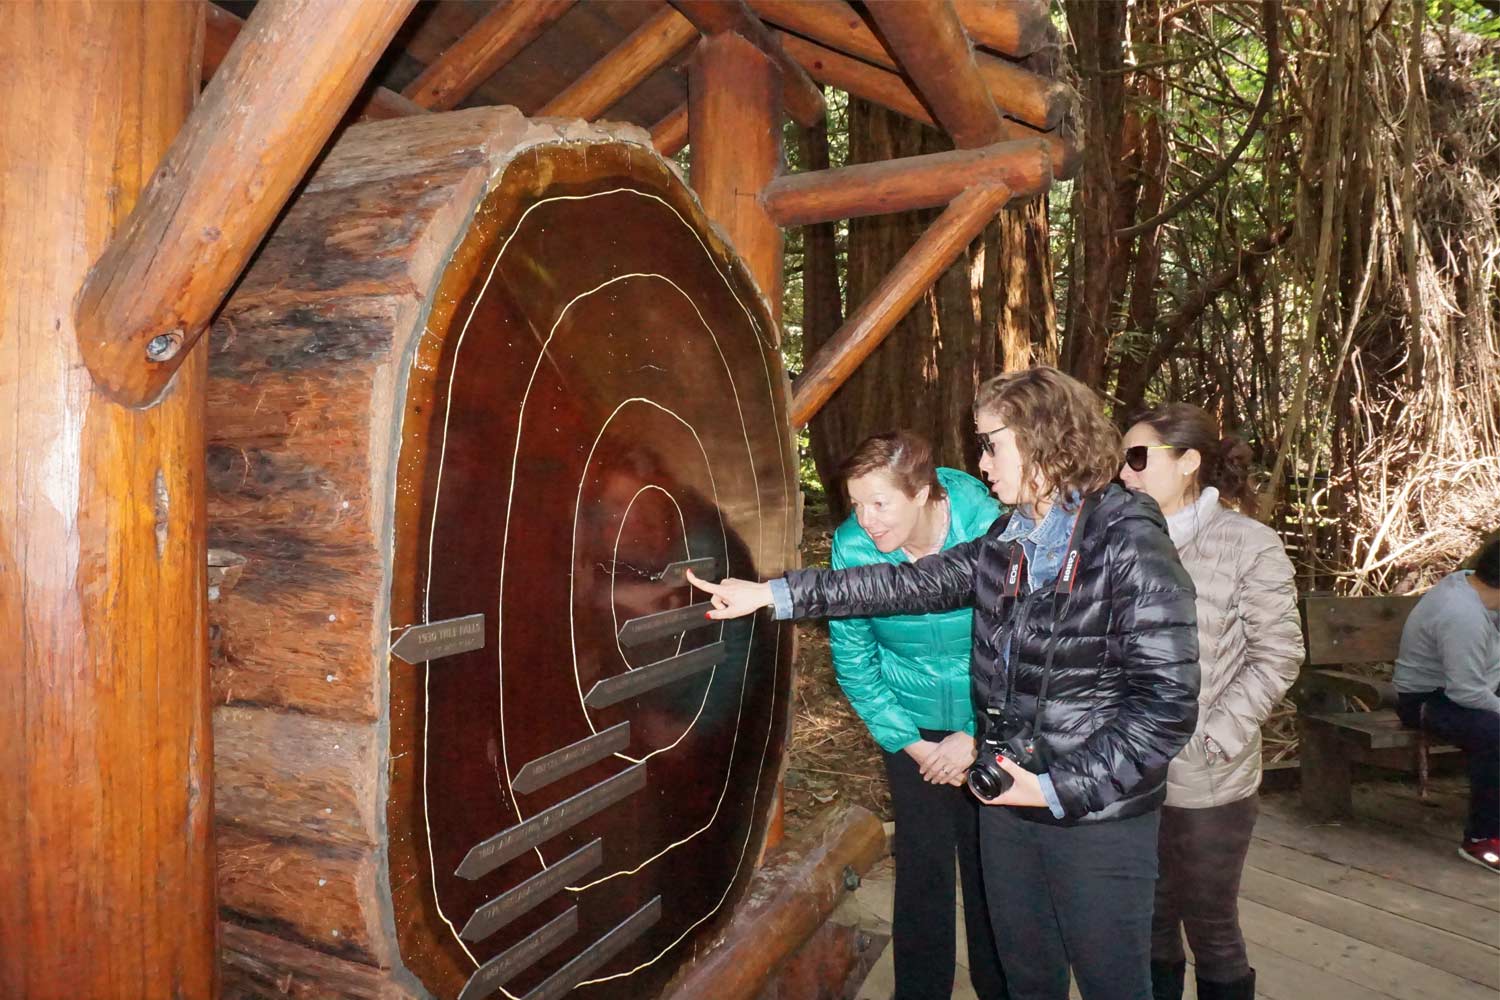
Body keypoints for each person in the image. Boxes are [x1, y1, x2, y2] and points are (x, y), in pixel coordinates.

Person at [690, 367, 1200, 1000]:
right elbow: (905, 584)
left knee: (1112, 984)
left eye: (991, 443)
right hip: (1007, 800)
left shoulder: (1127, 543)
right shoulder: (1009, 542)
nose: (981, 461)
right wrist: (772, 594)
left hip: (1094, 817)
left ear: (1043, 439)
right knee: (1027, 979)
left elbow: (1166, 706)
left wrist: (1053, 788)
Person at [1119, 404, 1304, 1000]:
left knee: (1211, 925)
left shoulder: (1248, 543)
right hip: (1127, 767)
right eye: (1122, 459)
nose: (1125, 472)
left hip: (1208, 775)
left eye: (1139, 458)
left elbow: (1277, 653)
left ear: (1190, 462)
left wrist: (1216, 734)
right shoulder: (1119, 538)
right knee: (1146, 920)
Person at [829, 431, 1007, 1000]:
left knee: (992, 869)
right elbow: (855, 661)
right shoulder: (853, 547)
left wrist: (977, 736)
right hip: (911, 729)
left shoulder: (989, 526)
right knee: (924, 867)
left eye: (880, 503)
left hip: (992, 719)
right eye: (856, 503)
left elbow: (1022, 645)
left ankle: (999, 987)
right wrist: (913, 744)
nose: (867, 520)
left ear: (925, 493)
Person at [1393, 536, 1500, 872]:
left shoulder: (1476, 587)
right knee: (1494, 733)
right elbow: (1467, 694)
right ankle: (1483, 839)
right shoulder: (1461, 615)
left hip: (1476, 686)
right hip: (1431, 698)